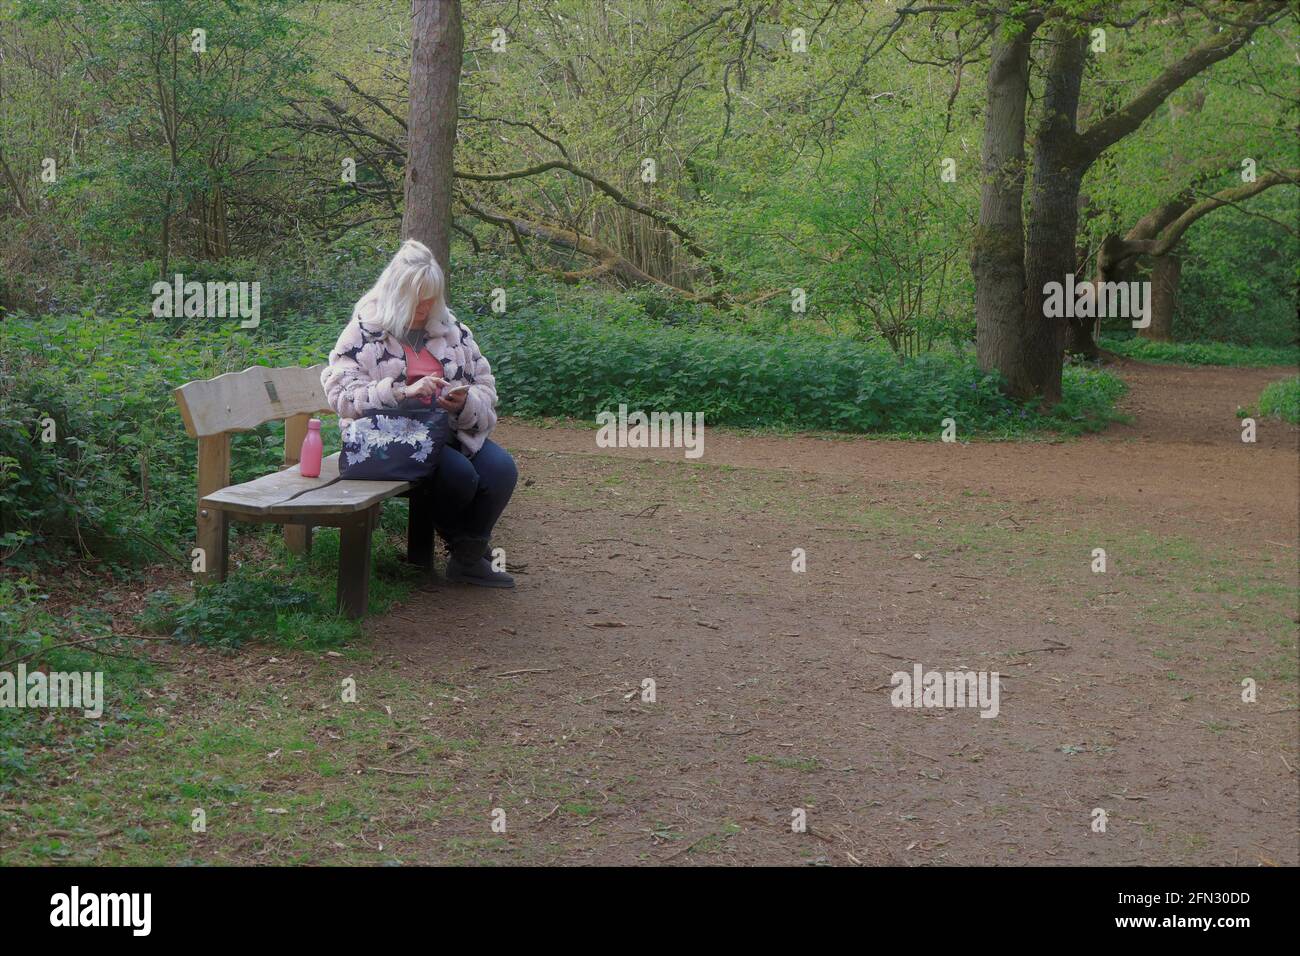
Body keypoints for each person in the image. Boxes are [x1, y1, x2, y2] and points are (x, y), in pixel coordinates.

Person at [323, 239, 517, 587]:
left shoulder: (452, 330)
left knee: (501, 469)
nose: (425, 310)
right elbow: (341, 394)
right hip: (391, 439)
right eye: (417, 302)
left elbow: (485, 386)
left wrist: (465, 402)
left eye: (431, 301)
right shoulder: (364, 332)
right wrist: (400, 393)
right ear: (396, 296)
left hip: (446, 430)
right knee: (460, 476)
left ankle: (467, 558)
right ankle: (465, 552)